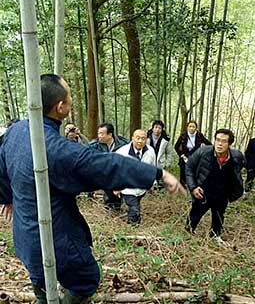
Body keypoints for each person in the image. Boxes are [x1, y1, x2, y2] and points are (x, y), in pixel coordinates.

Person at [0, 74, 183, 304]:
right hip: (56, 238)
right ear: (60, 107)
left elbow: (2, 167)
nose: (71, 101)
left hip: (23, 234)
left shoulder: (15, 132)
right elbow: (107, 165)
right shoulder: (59, 150)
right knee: (86, 279)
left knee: (39, 275)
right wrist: (157, 173)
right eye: (69, 97)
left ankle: (42, 298)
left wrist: (7, 196)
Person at [185, 129, 245, 244]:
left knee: (218, 216)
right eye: (217, 140)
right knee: (195, 214)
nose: (219, 144)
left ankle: (215, 236)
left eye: (223, 141)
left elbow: (240, 169)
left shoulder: (236, 156)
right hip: (203, 191)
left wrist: (233, 193)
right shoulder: (203, 152)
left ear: (229, 144)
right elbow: (189, 168)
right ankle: (188, 233)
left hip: (222, 193)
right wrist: (193, 187)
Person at [115, 129, 156, 225]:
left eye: (143, 138)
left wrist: (152, 183)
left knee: (135, 204)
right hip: (126, 187)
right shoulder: (122, 152)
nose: (140, 141)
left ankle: (133, 219)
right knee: (134, 207)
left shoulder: (150, 151)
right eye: (137, 138)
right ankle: (133, 227)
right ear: (132, 138)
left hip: (141, 187)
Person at [88, 122, 128, 210]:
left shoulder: (123, 144)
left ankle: (117, 207)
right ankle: (109, 208)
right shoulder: (94, 145)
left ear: (110, 134)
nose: (99, 136)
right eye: (98, 133)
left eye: (102, 134)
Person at [175, 120, 211, 187]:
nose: (191, 128)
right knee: (183, 172)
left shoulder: (199, 135)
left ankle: (193, 187)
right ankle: (182, 187)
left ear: (196, 128)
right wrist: (181, 155)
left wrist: (203, 148)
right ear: (187, 127)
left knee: (194, 172)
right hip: (185, 157)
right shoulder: (183, 136)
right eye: (190, 126)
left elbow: (209, 144)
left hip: (195, 157)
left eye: (193, 127)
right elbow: (176, 147)